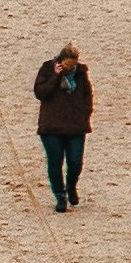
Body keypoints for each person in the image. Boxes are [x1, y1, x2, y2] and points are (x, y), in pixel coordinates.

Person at [34, 47, 91, 214]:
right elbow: (41, 92)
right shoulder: (47, 68)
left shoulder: (80, 73)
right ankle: (60, 196)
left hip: (76, 126)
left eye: (72, 64)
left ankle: (71, 186)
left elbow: (88, 95)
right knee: (55, 162)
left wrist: (85, 113)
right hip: (51, 126)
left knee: (75, 162)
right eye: (67, 64)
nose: (69, 67)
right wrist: (55, 76)